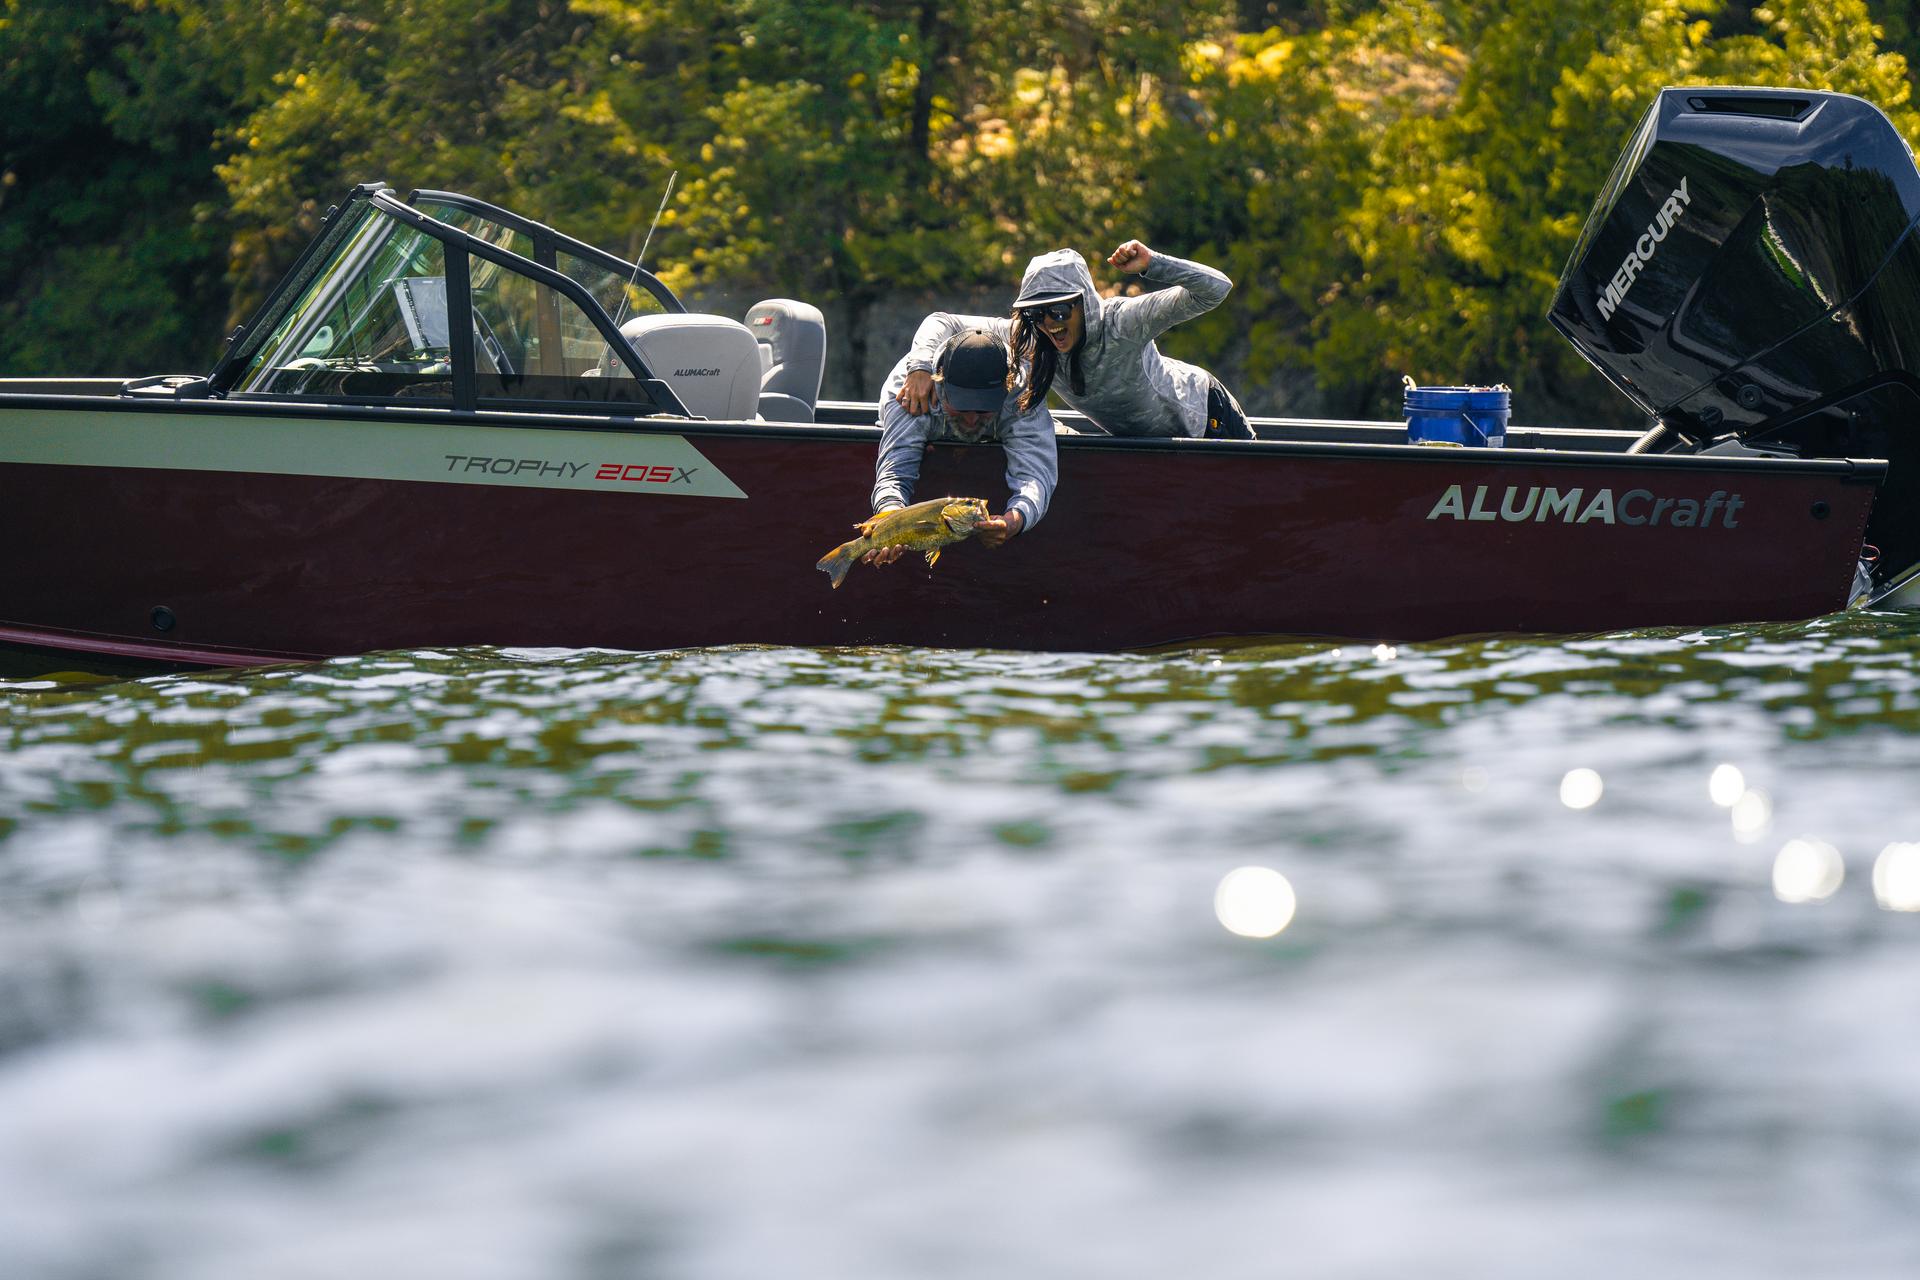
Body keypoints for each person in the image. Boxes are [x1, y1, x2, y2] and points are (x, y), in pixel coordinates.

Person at [896, 240, 1251, 439]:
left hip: (1207, 418)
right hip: (1142, 443)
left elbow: (1216, 290)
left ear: (1084, 302)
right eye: (1038, 313)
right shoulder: (1031, 337)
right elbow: (942, 321)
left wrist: (1153, 264)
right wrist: (921, 367)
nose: (1051, 324)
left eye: (1061, 312)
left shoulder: (1123, 322)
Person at [864, 325, 1057, 568]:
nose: (972, 419)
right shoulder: (910, 394)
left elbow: (1035, 475)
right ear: (940, 386)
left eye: (984, 409)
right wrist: (891, 518)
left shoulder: (1021, 395)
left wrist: (1015, 519)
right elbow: (893, 473)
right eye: (962, 407)